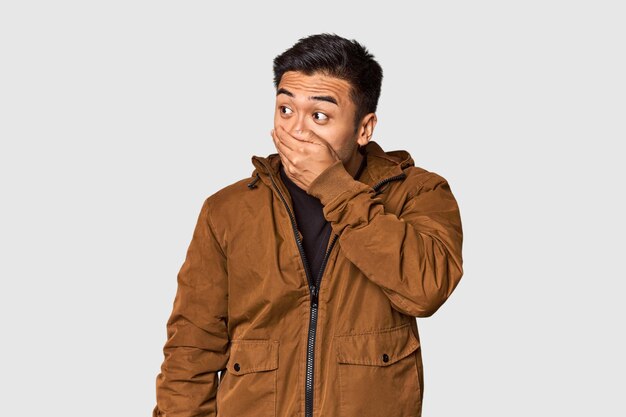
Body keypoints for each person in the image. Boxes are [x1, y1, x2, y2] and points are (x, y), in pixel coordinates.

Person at [152, 32, 464, 417]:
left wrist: (334, 188)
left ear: (364, 129)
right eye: (285, 109)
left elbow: (426, 288)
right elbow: (191, 349)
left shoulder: (418, 192)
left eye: (319, 116)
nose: (296, 130)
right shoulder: (227, 210)